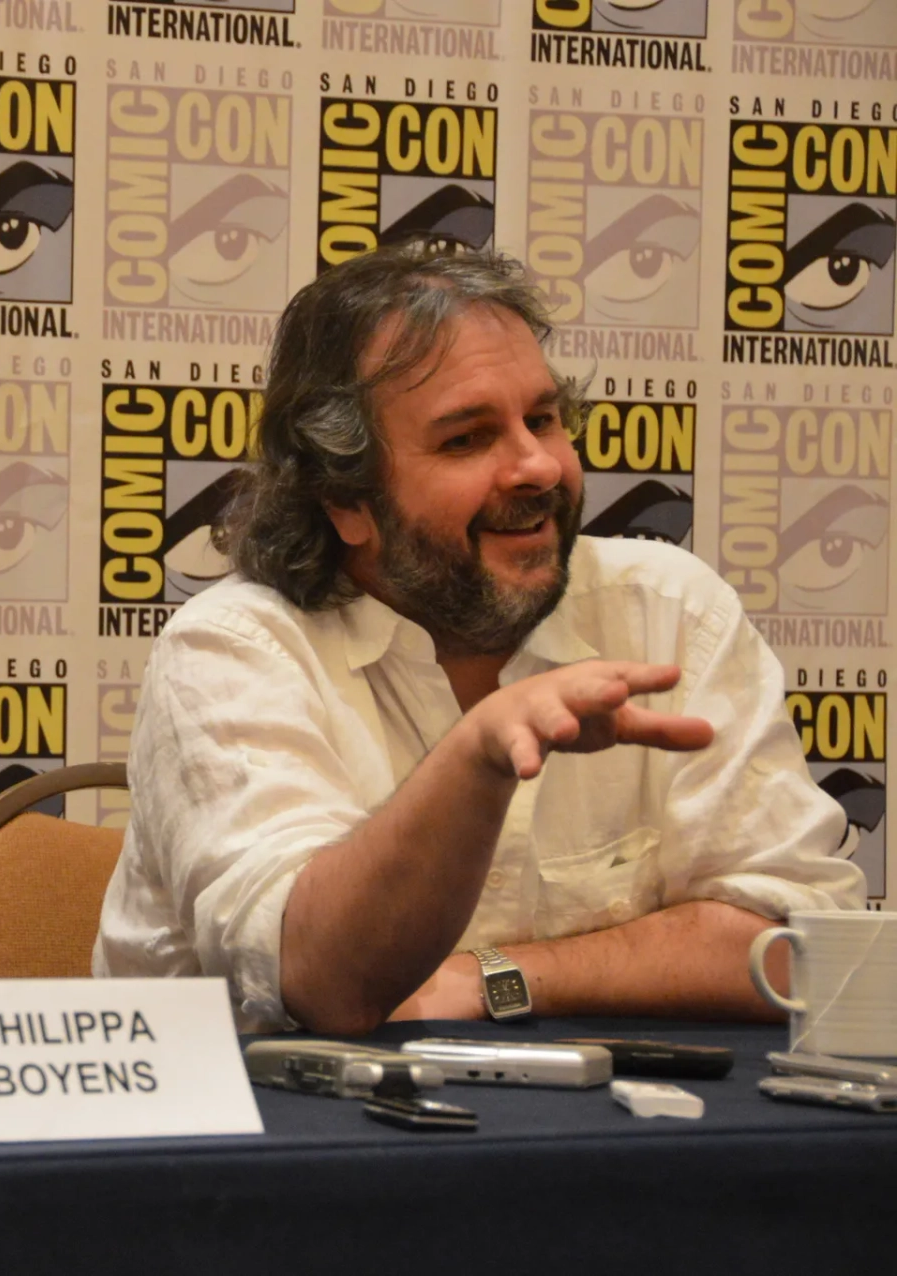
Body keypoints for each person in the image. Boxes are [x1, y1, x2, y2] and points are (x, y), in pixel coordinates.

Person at [95, 245, 865, 1034]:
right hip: (274, 1143)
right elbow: (318, 979)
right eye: (466, 440)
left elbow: (799, 948)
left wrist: (501, 978)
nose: (536, 467)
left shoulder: (669, 610)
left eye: (541, 419)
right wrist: (478, 754)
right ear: (345, 500)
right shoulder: (232, 651)